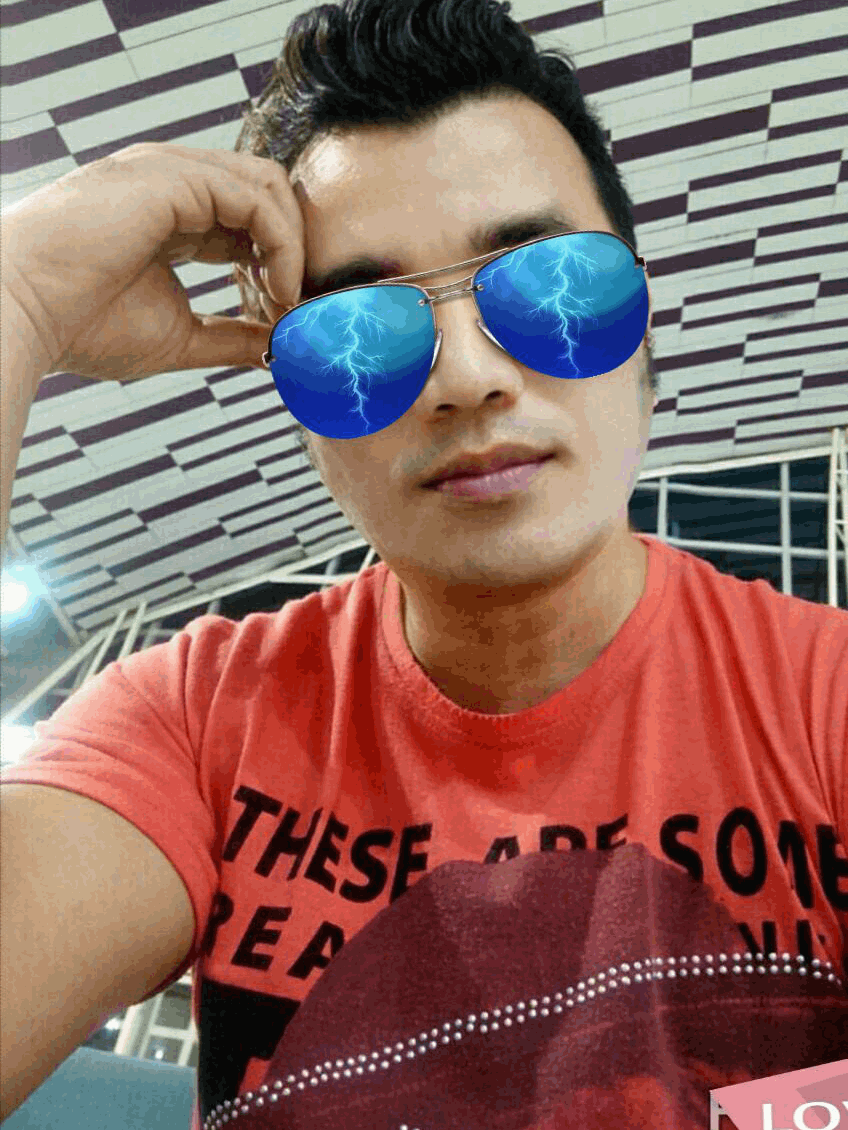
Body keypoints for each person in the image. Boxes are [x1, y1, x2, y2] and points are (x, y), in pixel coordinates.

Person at [1, 0, 845, 1127]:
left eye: (549, 282)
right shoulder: (199, 726)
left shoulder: (824, 705)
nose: (464, 377)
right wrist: (16, 300)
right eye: (357, 334)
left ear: (647, 325)